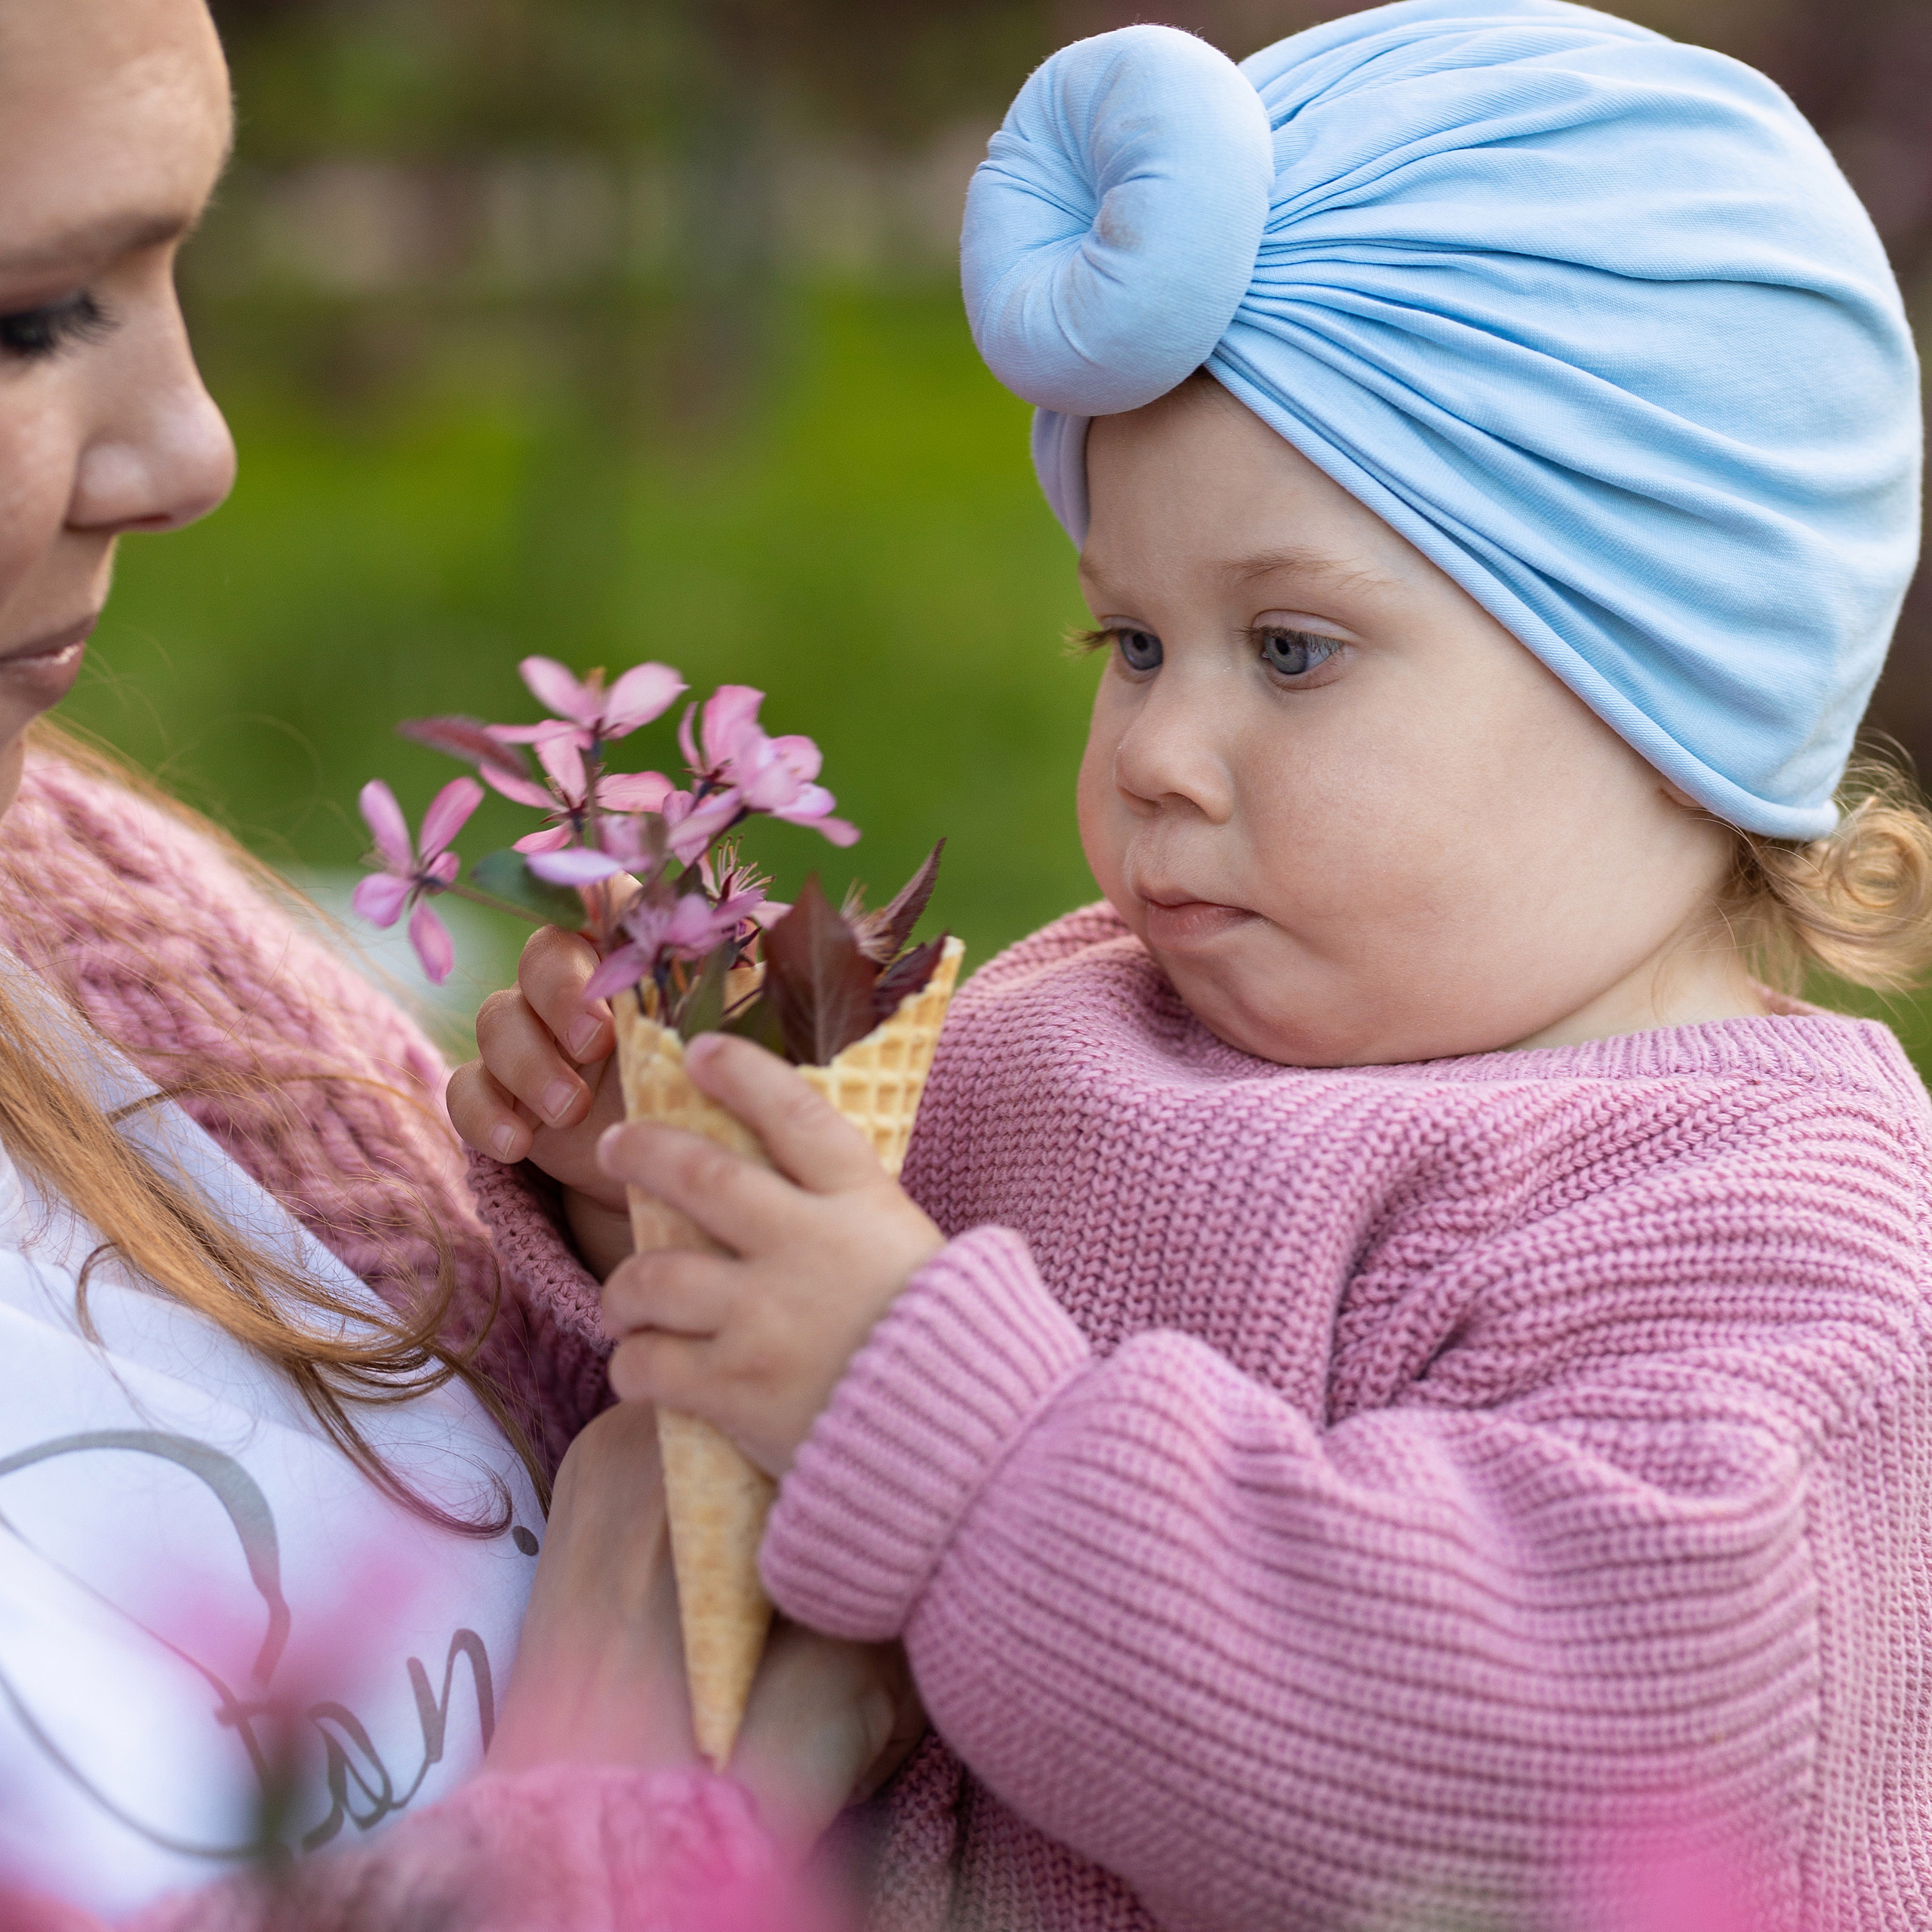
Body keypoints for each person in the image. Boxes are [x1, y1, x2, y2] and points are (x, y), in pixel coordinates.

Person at [456, 2, 1932, 1926]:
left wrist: (948, 1440)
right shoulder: (1065, 1024)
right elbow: (770, 1454)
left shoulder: (1753, 1222)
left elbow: (1535, 1763)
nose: (1154, 749)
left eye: (1292, 649)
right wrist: (657, 1213)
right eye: (1129, 644)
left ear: (1665, 689)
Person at [0, 4, 911, 1927]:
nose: (193, 449)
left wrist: (624, 1266)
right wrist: (608, 1801)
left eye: (180, 267)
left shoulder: (96, 925)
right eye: (26, 316)